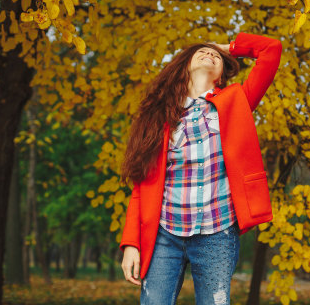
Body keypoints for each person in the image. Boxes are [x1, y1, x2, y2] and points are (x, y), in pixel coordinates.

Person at [119, 32, 282, 305]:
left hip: (217, 231)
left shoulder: (236, 101)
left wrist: (225, 47)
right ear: (184, 65)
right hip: (164, 233)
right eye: (201, 52)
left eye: (216, 56)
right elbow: (142, 186)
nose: (209, 54)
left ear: (221, 73)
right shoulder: (159, 115)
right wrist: (131, 244)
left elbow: (271, 49)